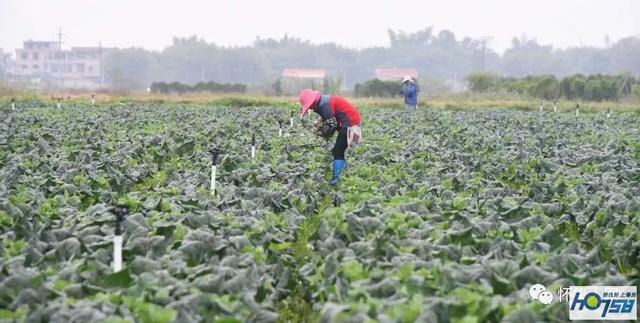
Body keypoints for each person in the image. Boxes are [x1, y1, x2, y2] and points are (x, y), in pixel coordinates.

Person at [298, 89, 362, 185]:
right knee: (338, 150)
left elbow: (332, 124)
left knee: (338, 150)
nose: (311, 109)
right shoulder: (323, 102)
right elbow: (328, 118)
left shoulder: (324, 105)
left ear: (313, 102)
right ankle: (342, 175)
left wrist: (323, 133)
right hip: (347, 121)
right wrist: (319, 125)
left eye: (310, 106)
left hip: (350, 123)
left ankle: (336, 179)